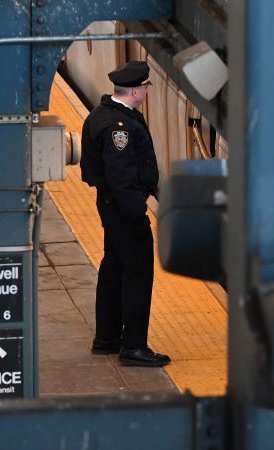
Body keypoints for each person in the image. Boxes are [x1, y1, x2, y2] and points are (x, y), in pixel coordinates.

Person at [79, 61, 170, 367]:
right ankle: (133, 346)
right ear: (135, 90)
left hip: (110, 206)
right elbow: (121, 178)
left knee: (114, 268)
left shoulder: (105, 115)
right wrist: (138, 214)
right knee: (138, 275)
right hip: (122, 210)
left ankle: (106, 338)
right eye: (145, 87)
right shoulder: (119, 128)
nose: (146, 90)